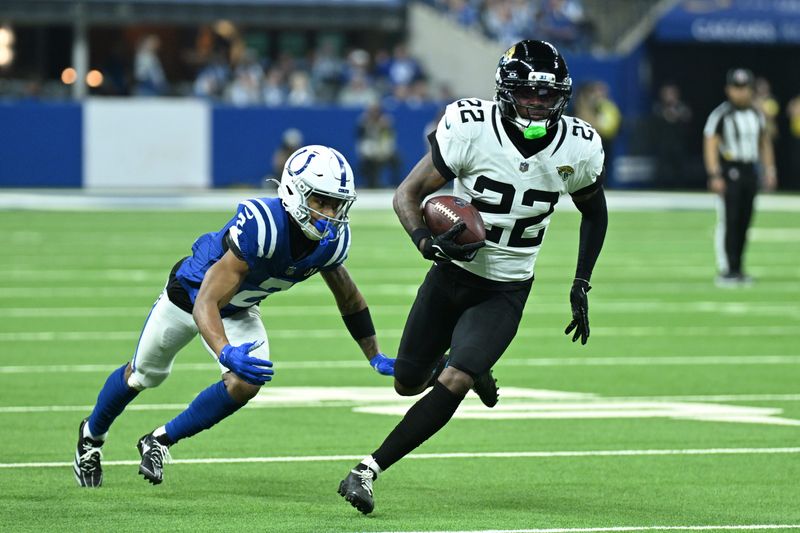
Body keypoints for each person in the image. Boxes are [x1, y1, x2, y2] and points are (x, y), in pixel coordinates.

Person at [337, 39, 608, 514]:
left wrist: (581, 281)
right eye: (529, 92)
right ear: (506, 89)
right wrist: (425, 241)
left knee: (456, 379)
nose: (539, 103)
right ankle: (468, 363)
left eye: (548, 95)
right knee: (406, 381)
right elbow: (407, 194)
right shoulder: (470, 127)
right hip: (451, 273)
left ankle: (368, 469)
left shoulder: (578, 146)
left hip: (505, 288)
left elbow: (595, 214)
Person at [73, 145, 396, 488]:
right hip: (190, 298)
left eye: (336, 204)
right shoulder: (264, 225)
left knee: (246, 382)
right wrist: (225, 352)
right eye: (320, 201)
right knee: (142, 375)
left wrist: (374, 356)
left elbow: (348, 296)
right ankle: (91, 437)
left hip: (239, 308)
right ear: (294, 192)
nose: (329, 214)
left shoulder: (331, 241)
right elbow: (205, 304)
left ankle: (159, 440)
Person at [703, 68, 777, 287]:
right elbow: (711, 143)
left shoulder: (757, 114)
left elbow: (765, 143)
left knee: (745, 220)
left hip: (749, 170)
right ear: (728, 90)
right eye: (737, 88)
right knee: (730, 220)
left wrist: (769, 170)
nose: (741, 93)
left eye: (745, 88)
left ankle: (739, 267)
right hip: (730, 170)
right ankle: (727, 268)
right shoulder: (721, 115)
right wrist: (714, 173)